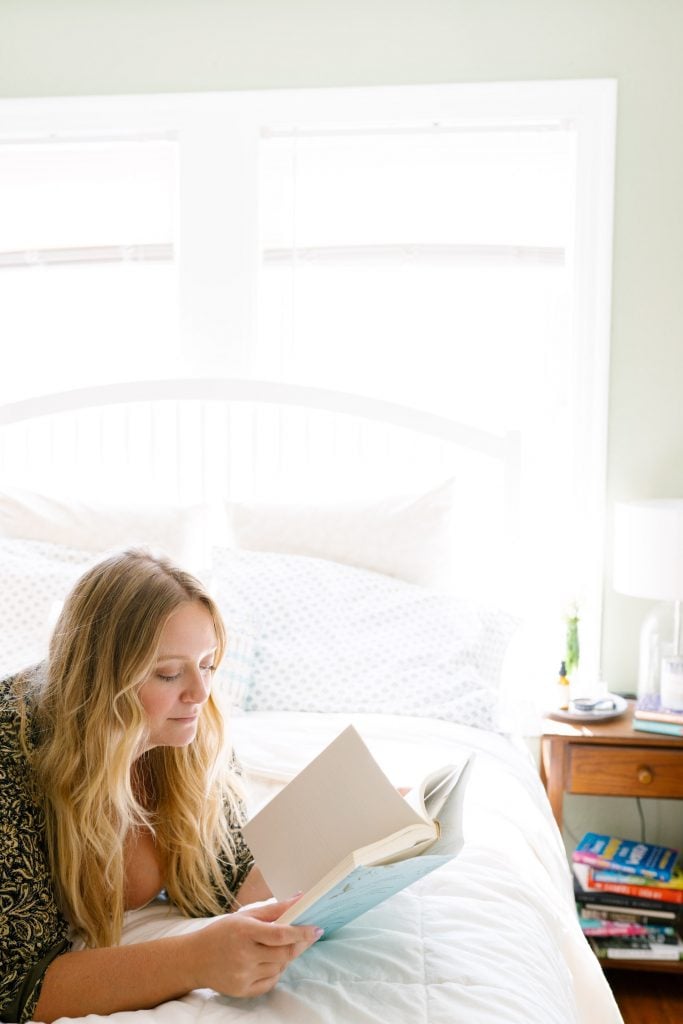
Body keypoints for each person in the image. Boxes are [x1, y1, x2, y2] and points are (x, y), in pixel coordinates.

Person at [0, 548, 322, 1024]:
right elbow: (17, 986)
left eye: (208, 664)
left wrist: (338, 835)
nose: (199, 693)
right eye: (169, 673)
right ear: (100, 681)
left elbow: (230, 883)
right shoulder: (14, 760)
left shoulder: (191, 730)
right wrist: (194, 960)